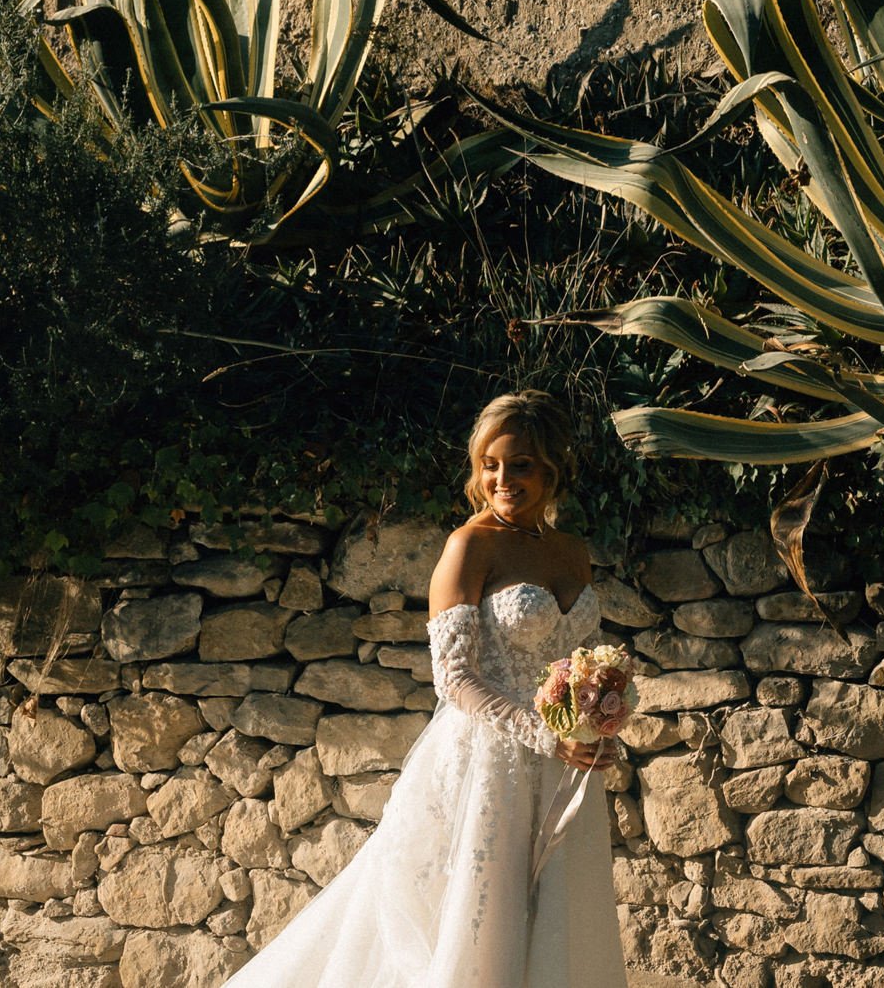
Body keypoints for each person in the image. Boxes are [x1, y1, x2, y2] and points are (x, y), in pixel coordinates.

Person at [224, 390, 628, 988]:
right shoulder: (470, 545)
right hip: (491, 765)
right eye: (490, 464)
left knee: (561, 916)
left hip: (566, 768)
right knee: (480, 919)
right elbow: (455, 678)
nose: (501, 479)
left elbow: (576, 664)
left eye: (518, 464)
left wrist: (597, 724)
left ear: (551, 468)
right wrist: (544, 734)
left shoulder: (572, 553)